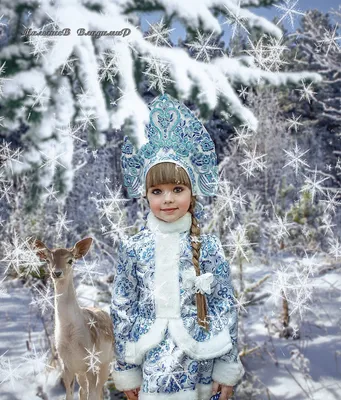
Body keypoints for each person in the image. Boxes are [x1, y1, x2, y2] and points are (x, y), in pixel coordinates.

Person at [110, 93, 245, 400]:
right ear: (145, 195)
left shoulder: (207, 246)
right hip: (152, 367)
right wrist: (125, 368)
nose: (167, 199)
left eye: (177, 188)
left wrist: (227, 366)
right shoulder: (133, 248)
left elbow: (224, 306)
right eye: (157, 190)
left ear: (192, 192)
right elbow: (122, 308)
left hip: (202, 364)